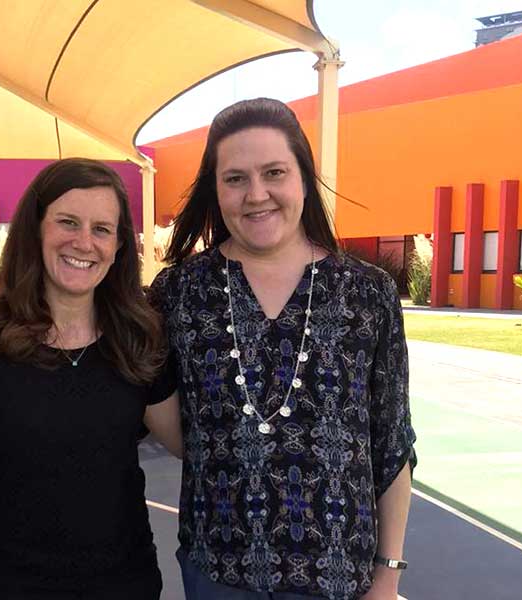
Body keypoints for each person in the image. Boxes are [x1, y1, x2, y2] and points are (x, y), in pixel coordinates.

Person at [149, 97, 416, 600]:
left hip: (341, 578)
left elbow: (392, 443)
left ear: (303, 178)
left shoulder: (368, 293)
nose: (257, 195)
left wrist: (388, 574)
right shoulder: (179, 292)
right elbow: (134, 397)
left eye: (274, 172)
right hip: (218, 571)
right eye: (235, 178)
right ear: (216, 188)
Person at [0, 158, 182, 600]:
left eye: (102, 229)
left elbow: (187, 441)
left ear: (118, 246)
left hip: (126, 583)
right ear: (35, 230)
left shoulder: (138, 339)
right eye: (67, 222)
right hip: (14, 584)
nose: (84, 242)